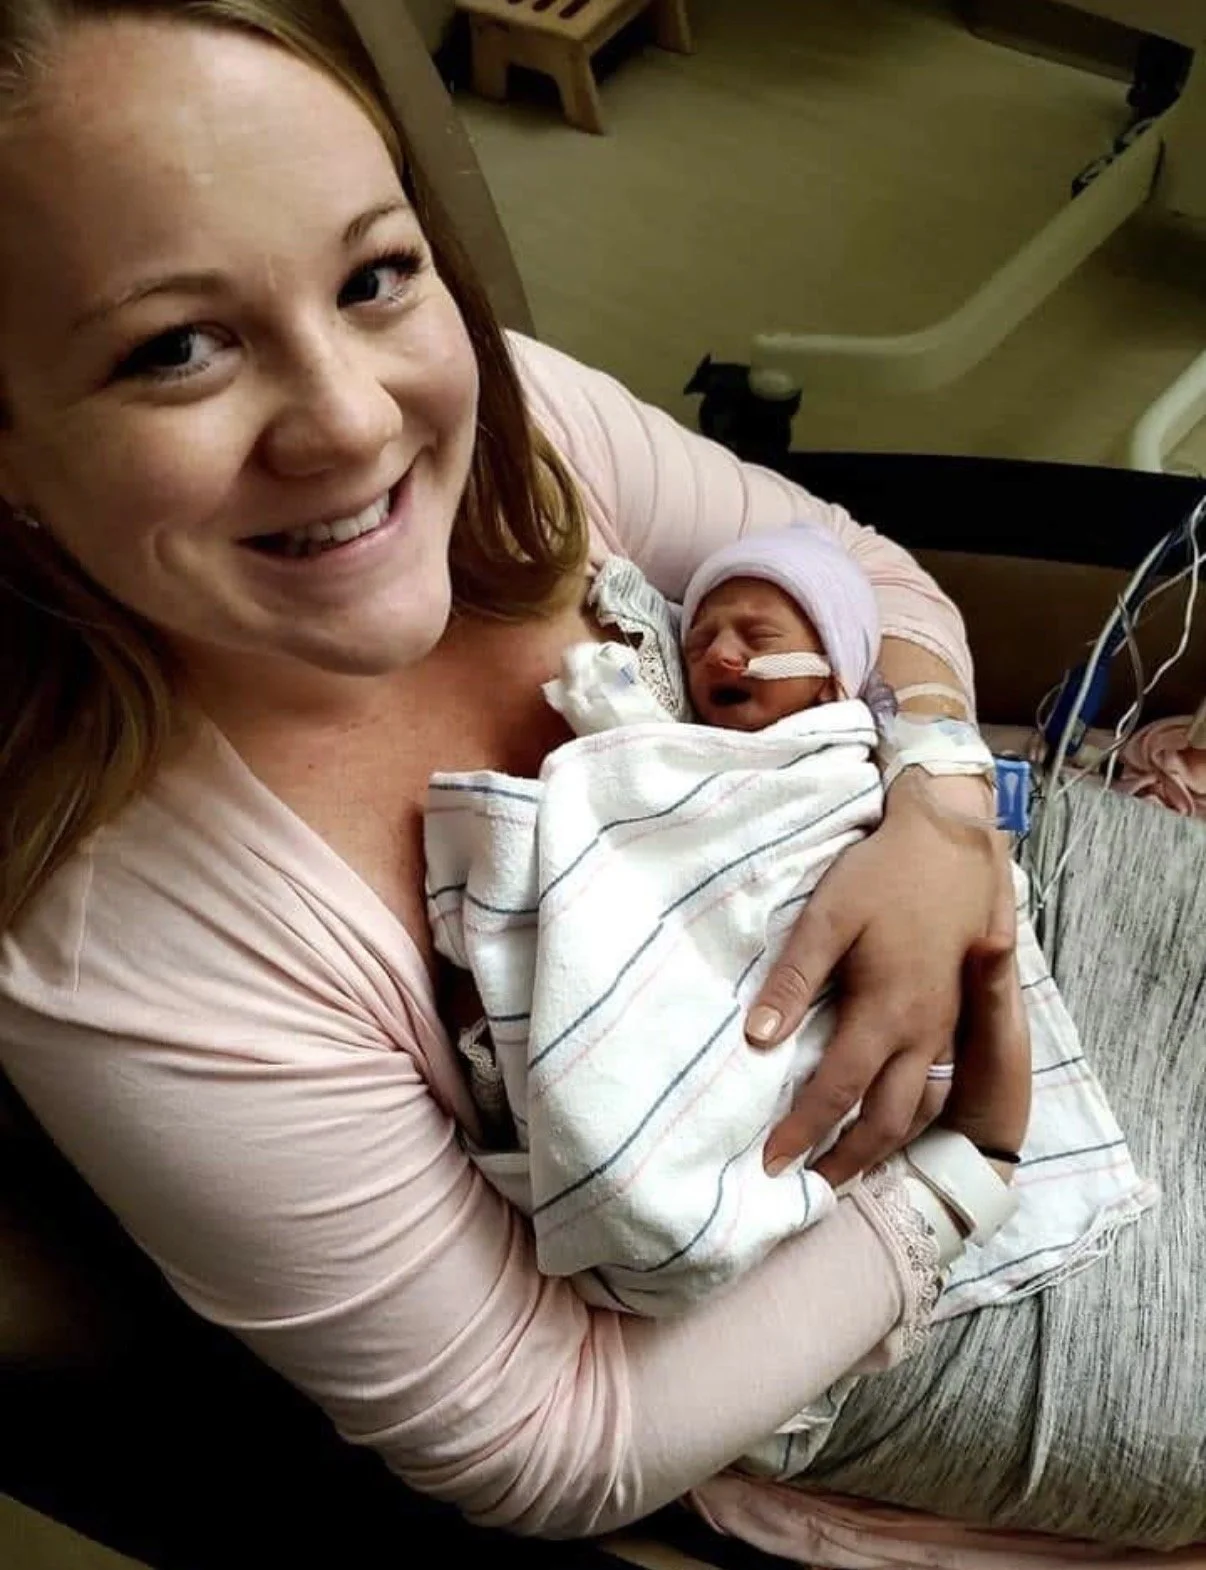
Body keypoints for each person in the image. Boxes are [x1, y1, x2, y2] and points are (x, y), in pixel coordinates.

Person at [0, 0, 1194, 1556]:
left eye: (374, 273)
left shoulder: (518, 418)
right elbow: (550, 1435)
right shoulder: (130, 936)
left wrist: (938, 807)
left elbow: (860, 567)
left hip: (1019, 890)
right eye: (175, 348)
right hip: (896, 1285)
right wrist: (963, 1167)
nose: (357, 417)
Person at [424, 523, 1151, 1337]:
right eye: (699, 640)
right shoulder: (690, 748)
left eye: (756, 636)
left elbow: (886, 579)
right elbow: (649, 785)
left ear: (833, 679)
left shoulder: (844, 755)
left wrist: (941, 802)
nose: (719, 654)